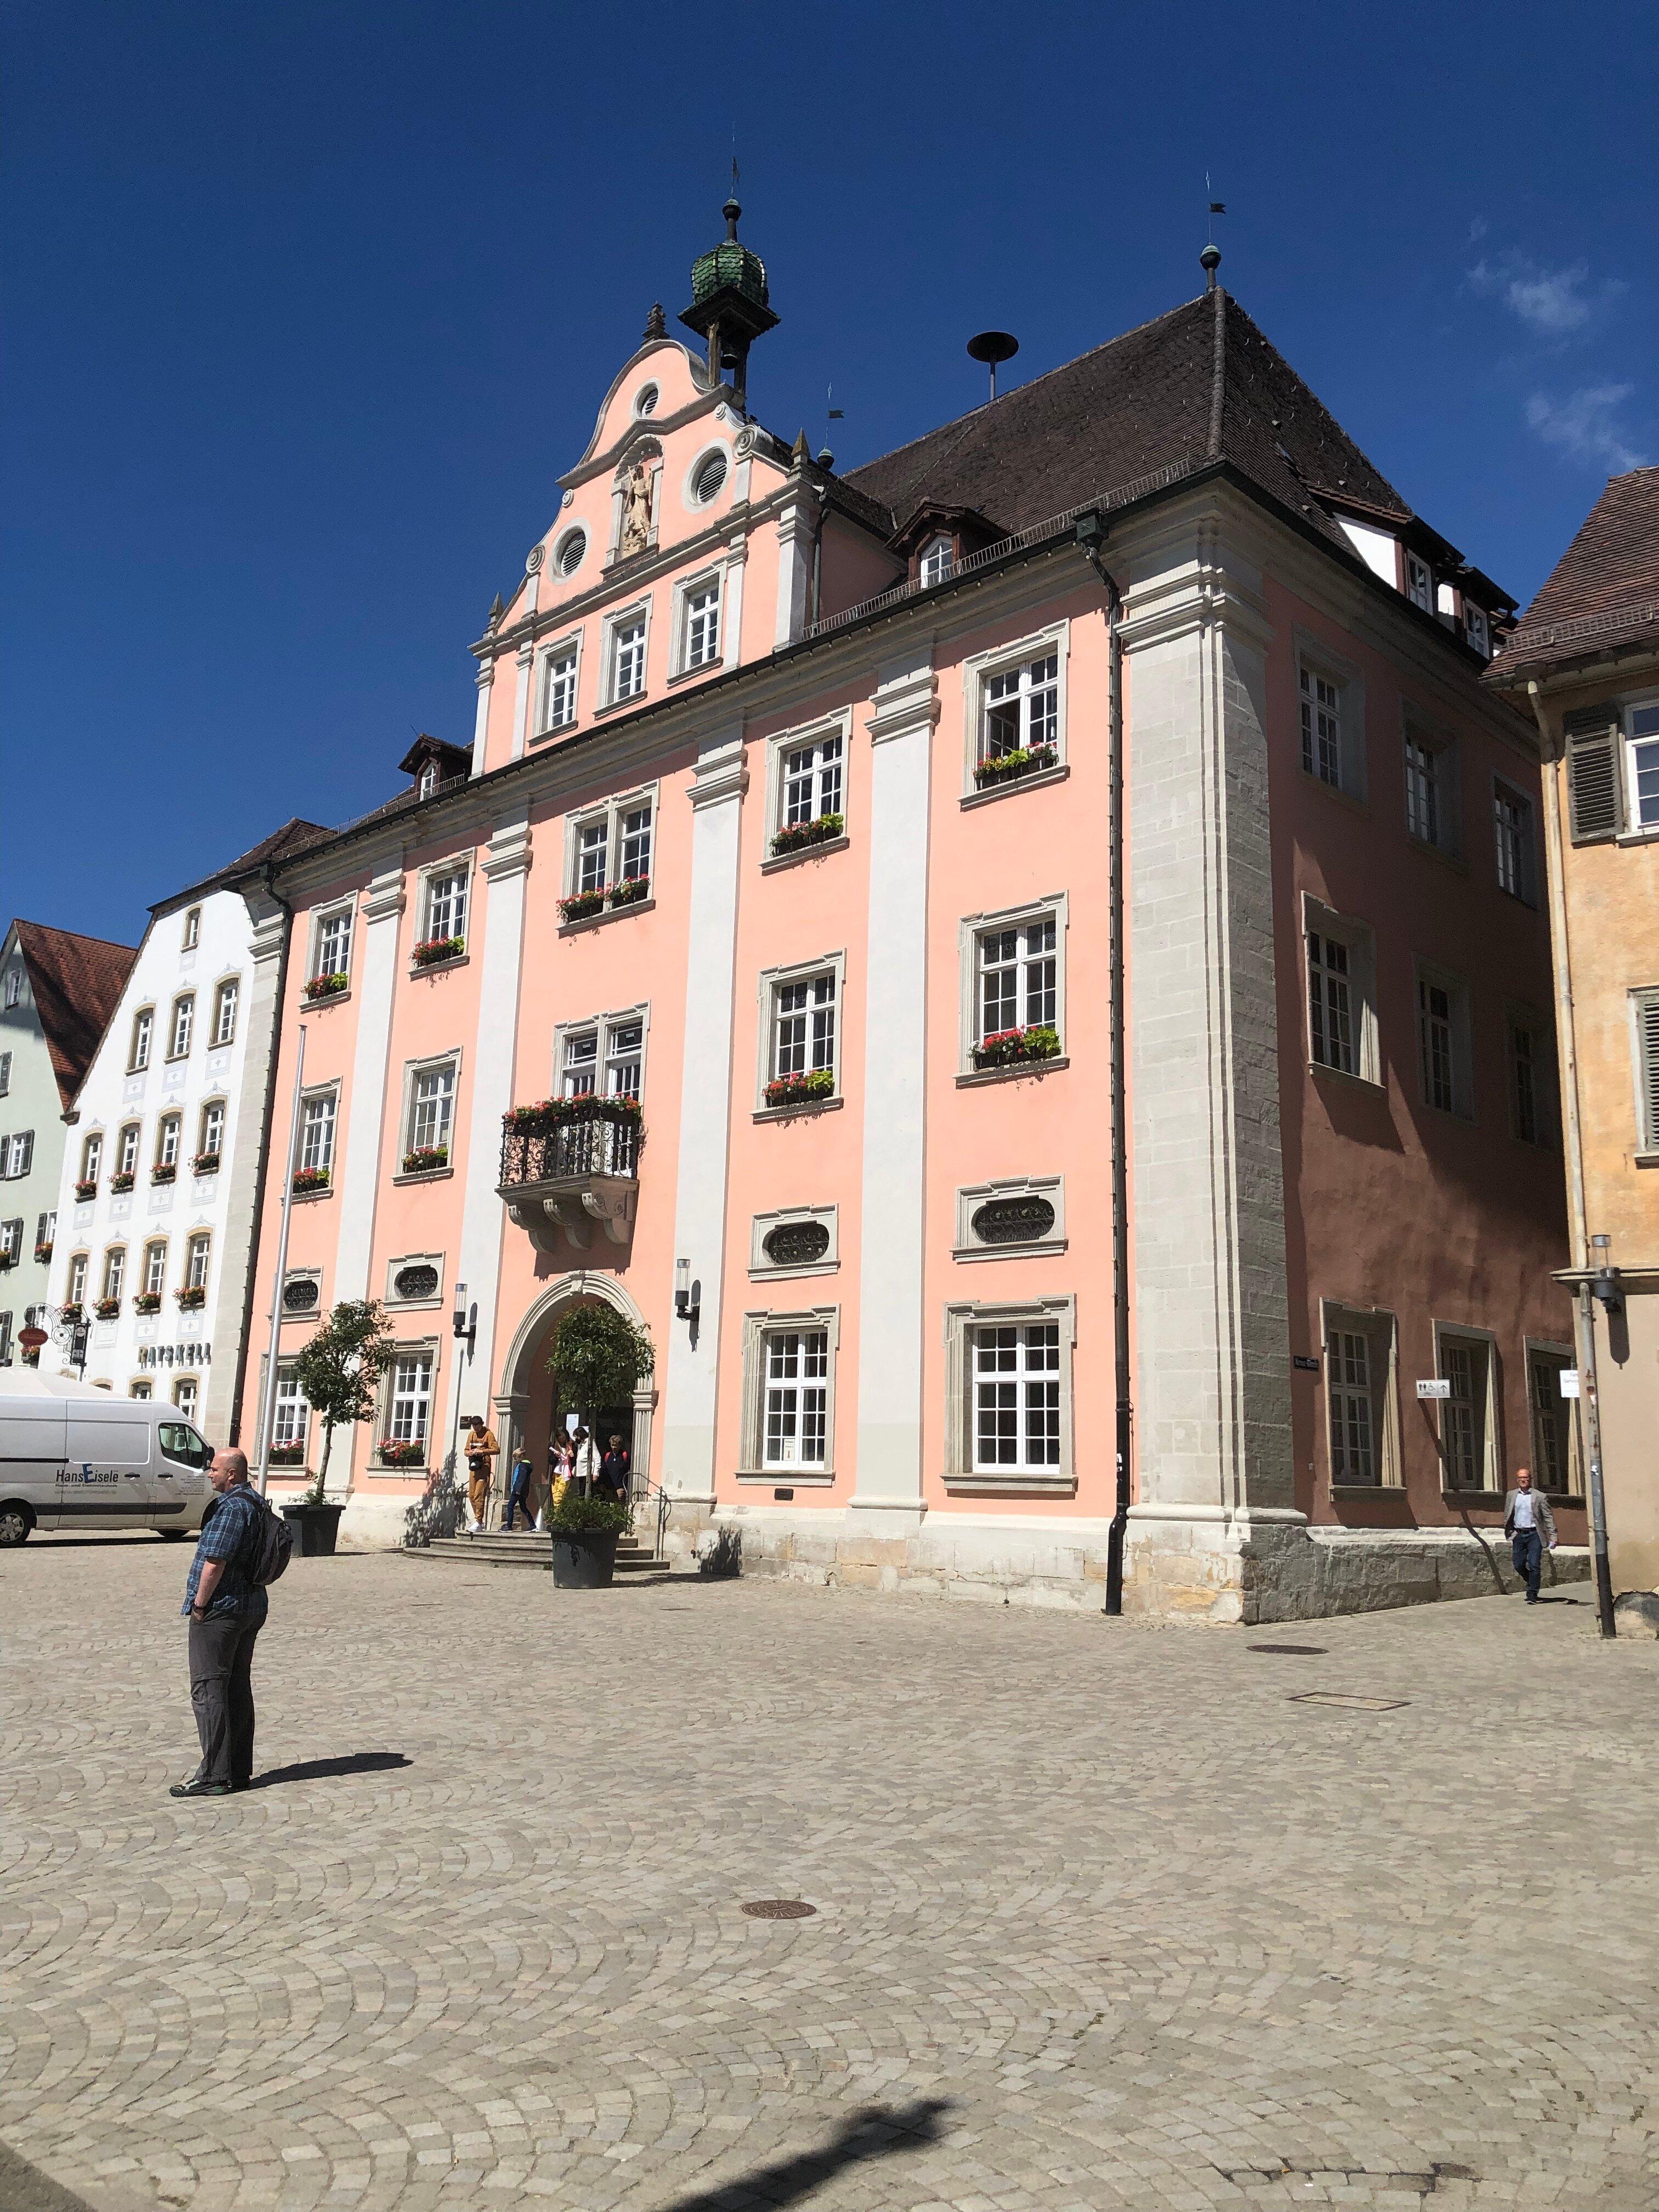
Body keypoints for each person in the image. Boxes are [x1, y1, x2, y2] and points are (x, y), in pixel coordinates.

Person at [172, 1448, 268, 1799]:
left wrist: (199, 1605)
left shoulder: (232, 1508)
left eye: (214, 1469)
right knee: (236, 1687)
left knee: (208, 1689)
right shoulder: (258, 1503)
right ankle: (237, 1772)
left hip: (222, 1610)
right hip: (251, 1605)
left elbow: (215, 1562)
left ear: (232, 1474)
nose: (209, 1474)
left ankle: (214, 1774)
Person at [1503, 1464, 1558, 1604]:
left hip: (1535, 1534)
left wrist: (1553, 1536)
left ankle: (1532, 1594)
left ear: (1530, 1479)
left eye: (1526, 1478)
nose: (1523, 1480)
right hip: (1519, 1534)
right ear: (1517, 1480)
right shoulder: (1511, 1495)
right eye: (1521, 1478)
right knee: (1518, 1564)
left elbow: (1548, 1517)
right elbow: (1508, 1514)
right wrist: (1511, 1532)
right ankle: (1532, 1581)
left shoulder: (1540, 1496)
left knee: (1534, 1564)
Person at [463, 1414, 498, 1533]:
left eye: (477, 1427)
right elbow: (466, 1451)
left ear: (481, 1424)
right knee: (471, 1495)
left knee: (479, 1494)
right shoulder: (471, 1435)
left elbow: (496, 1449)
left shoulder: (489, 1434)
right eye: (473, 1427)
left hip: (484, 1468)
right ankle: (480, 1522)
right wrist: (470, 1453)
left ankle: (478, 1521)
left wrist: (482, 1451)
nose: (475, 1430)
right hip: (474, 1468)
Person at [503, 1449, 537, 1531]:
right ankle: (532, 1524)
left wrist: (517, 1490)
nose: (515, 1460)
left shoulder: (522, 1466)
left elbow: (521, 1479)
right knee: (523, 1507)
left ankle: (509, 1525)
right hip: (524, 1491)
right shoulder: (526, 1465)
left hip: (518, 1491)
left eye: (516, 1458)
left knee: (510, 1506)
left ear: (521, 1457)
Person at [599, 1431, 632, 1505]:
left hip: (620, 1485)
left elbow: (626, 1471)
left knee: (619, 1504)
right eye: (612, 1445)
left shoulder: (624, 1455)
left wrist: (624, 1486)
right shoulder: (608, 1456)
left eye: (615, 1445)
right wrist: (602, 1483)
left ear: (620, 1445)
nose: (613, 1447)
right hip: (609, 1486)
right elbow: (604, 1470)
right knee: (609, 1504)